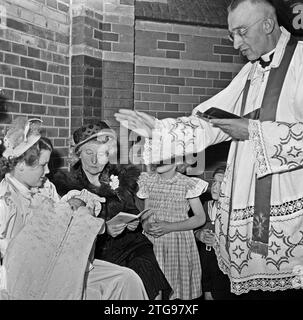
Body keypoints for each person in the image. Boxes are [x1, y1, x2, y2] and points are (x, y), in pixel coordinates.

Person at [115, 0, 303, 298]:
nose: (236, 43)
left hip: (286, 202)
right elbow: (213, 121)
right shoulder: (251, 72)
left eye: (241, 32)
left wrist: (253, 131)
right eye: (232, 35)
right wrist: (161, 130)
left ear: (268, 24)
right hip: (245, 203)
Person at [0, 117, 148, 300]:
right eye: (43, 165)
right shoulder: (5, 200)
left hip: (61, 260)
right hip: (31, 274)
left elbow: (63, 216)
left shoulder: (47, 187)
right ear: (21, 166)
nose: (47, 171)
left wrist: (77, 204)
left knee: (127, 278)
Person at [51, 121, 172, 300]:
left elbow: (131, 209)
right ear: (78, 154)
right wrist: (104, 228)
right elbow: (68, 233)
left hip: (130, 243)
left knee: (145, 265)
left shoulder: (119, 178)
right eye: (88, 153)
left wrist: (134, 222)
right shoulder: (68, 186)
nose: (94, 161)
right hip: (97, 250)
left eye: (100, 153)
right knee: (123, 279)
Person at [137, 161, 207, 300]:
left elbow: (200, 218)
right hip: (153, 242)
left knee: (178, 290)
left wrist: (169, 227)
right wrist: (146, 226)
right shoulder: (147, 180)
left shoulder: (187, 184)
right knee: (155, 288)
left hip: (178, 243)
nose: (160, 161)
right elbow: (146, 214)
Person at [195, 165, 237, 300]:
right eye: (214, 182)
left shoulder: (235, 211)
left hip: (225, 274)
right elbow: (193, 230)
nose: (215, 187)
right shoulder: (205, 205)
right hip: (205, 269)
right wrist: (199, 235)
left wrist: (219, 241)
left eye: (221, 183)